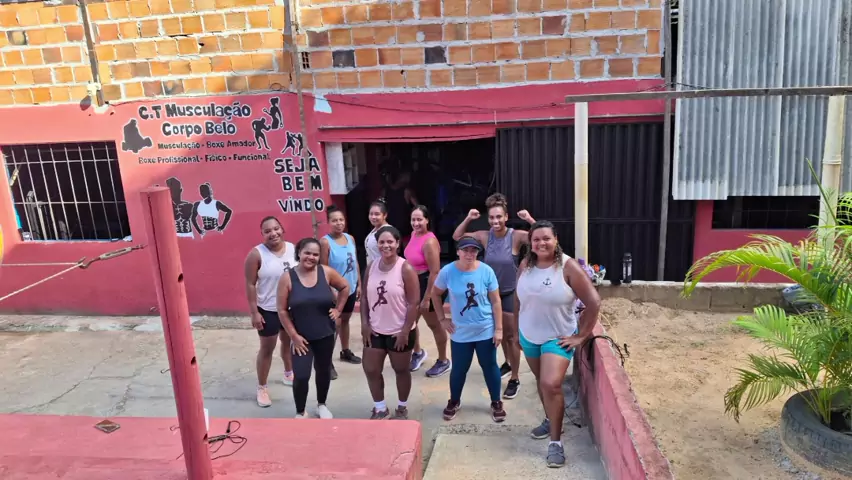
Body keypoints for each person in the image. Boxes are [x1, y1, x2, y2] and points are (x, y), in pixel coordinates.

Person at [515, 221, 600, 468]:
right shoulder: (526, 264)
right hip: (529, 334)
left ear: (556, 240)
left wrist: (581, 336)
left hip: (558, 336)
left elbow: (593, 302)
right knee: (542, 383)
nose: (541, 243)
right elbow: (518, 300)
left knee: (550, 384)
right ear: (530, 243)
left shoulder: (568, 267)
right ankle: (550, 419)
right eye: (536, 239)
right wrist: (515, 331)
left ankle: (556, 442)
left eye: (546, 238)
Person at [452, 193, 535, 399]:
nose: (495, 221)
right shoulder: (484, 236)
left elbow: (543, 236)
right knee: (499, 335)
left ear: (506, 217)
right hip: (489, 294)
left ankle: (515, 378)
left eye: (499, 217)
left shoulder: (515, 236)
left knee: (511, 337)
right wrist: (469, 218)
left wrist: (529, 219)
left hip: (510, 293)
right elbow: (457, 237)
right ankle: (507, 363)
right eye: (491, 217)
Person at [431, 236, 506, 423]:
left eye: (473, 250)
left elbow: (496, 301)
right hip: (460, 331)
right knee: (459, 368)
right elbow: (435, 293)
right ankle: (454, 401)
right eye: (465, 250)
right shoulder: (448, 272)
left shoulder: (486, 271)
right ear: (458, 251)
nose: (469, 254)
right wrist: (442, 319)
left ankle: (496, 401)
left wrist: (499, 329)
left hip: (485, 328)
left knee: (489, 366)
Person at [277, 238, 351, 419]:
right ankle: (300, 411)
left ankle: (321, 404)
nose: (311, 257)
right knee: (301, 375)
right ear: (299, 253)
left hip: (325, 333)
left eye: (315, 254)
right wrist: (293, 335)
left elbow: (345, 287)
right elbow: (282, 310)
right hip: (301, 338)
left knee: (323, 371)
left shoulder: (325, 272)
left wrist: (338, 309)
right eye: (307, 253)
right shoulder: (287, 278)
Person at [361, 225, 421, 420]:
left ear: (397, 244)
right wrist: (364, 324)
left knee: (401, 370)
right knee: (371, 369)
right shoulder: (371, 267)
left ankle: (402, 407)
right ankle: (380, 408)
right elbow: (364, 298)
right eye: (381, 242)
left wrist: (405, 331)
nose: (385, 245)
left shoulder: (405, 268)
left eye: (390, 242)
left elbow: (413, 303)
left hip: (399, 331)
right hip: (375, 329)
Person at [243, 216, 298, 408]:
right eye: (267, 231)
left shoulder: (292, 249)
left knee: (288, 342)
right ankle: (262, 387)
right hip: (268, 309)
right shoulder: (256, 255)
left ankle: (289, 373)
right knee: (267, 349)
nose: (273, 233)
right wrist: (254, 312)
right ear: (262, 234)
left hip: (290, 308)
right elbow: (250, 284)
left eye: (276, 229)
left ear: (282, 229)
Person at [404, 205, 450, 376]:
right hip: (413, 284)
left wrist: (427, 298)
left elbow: (435, 272)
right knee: (410, 322)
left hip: (428, 285)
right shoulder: (413, 235)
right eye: (413, 219)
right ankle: (417, 353)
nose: (416, 223)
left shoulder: (430, 241)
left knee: (434, 325)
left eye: (419, 219)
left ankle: (443, 360)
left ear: (427, 220)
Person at [320, 206, 363, 368]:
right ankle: (326, 361)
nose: (338, 223)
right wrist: (330, 292)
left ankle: (345, 351)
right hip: (336, 292)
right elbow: (323, 269)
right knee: (334, 325)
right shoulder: (325, 242)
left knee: (345, 320)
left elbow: (355, 262)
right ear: (328, 222)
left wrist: (358, 284)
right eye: (334, 220)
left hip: (350, 288)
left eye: (341, 220)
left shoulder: (350, 238)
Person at [382, 170, 418, 240]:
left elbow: (378, 207)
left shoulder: (384, 191)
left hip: (390, 226)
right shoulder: (407, 191)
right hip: (404, 226)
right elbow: (418, 207)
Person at [365, 200, 393, 268]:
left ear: (385, 215)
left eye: (377, 214)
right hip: (373, 269)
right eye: (371, 214)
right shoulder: (375, 229)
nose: (373, 217)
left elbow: (390, 256)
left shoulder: (387, 231)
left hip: (383, 270)